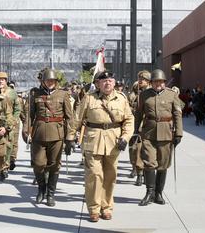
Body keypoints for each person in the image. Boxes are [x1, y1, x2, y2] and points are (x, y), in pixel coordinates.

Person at [68, 71, 134, 222]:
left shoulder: (121, 99)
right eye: (104, 81)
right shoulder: (89, 98)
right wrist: (70, 137)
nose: (107, 83)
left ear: (114, 82)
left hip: (113, 141)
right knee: (94, 176)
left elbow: (129, 120)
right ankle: (94, 208)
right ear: (98, 83)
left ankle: (107, 207)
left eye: (110, 80)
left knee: (110, 176)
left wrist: (125, 137)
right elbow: (77, 118)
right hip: (93, 140)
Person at [22, 68, 74, 207]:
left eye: (53, 80)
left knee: (54, 165)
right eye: (47, 80)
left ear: (56, 82)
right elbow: (29, 115)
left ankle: (51, 194)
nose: (50, 82)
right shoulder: (34, 93)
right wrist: (26, 132)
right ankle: (41, 189)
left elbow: (69, 117)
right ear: (43, 81)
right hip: (38, 133)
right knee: (38, 164)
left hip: (57, 134)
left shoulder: (63, 94)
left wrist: (70, 137)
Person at [134, 69, 183, 206]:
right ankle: (149, 192)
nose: (158, 84)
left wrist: (178, 133)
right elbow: (138, 114)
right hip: (148, 133)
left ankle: (158, 193)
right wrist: (135, 131)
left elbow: (177, 114)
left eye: (161, 82)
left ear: (164, 82)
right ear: (151, 83)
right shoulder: (144, 95)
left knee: (163, 164)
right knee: (149, 162)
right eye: (155, 82)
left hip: (166, 133)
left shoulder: (172, 95)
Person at [0, 72, 21, 175]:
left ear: (6, 81)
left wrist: (13, 120)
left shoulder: (12, 93)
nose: (0, 81)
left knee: (9, 145)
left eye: (2, 79)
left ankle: (5, 167)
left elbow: (17, 109)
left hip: (9, 122)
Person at [128, 70, 151, 186]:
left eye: (143, 79)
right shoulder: (135, 94)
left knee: (148, 153)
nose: (140, 81)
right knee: (135, 150)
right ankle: (139, 173)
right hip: (136, 126)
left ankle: (147, 174)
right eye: (140, 79)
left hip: (149, 127)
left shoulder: (152, 94)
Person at [8, 81, 26, 170]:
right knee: (6, 142)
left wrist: (25, 122)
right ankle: (8, 159)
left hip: (15, 122)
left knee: (14, 142)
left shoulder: (18, 98)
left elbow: (21, 111)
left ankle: (12, 159)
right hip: (5, 122)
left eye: (12, 86)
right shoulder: (2, 96)